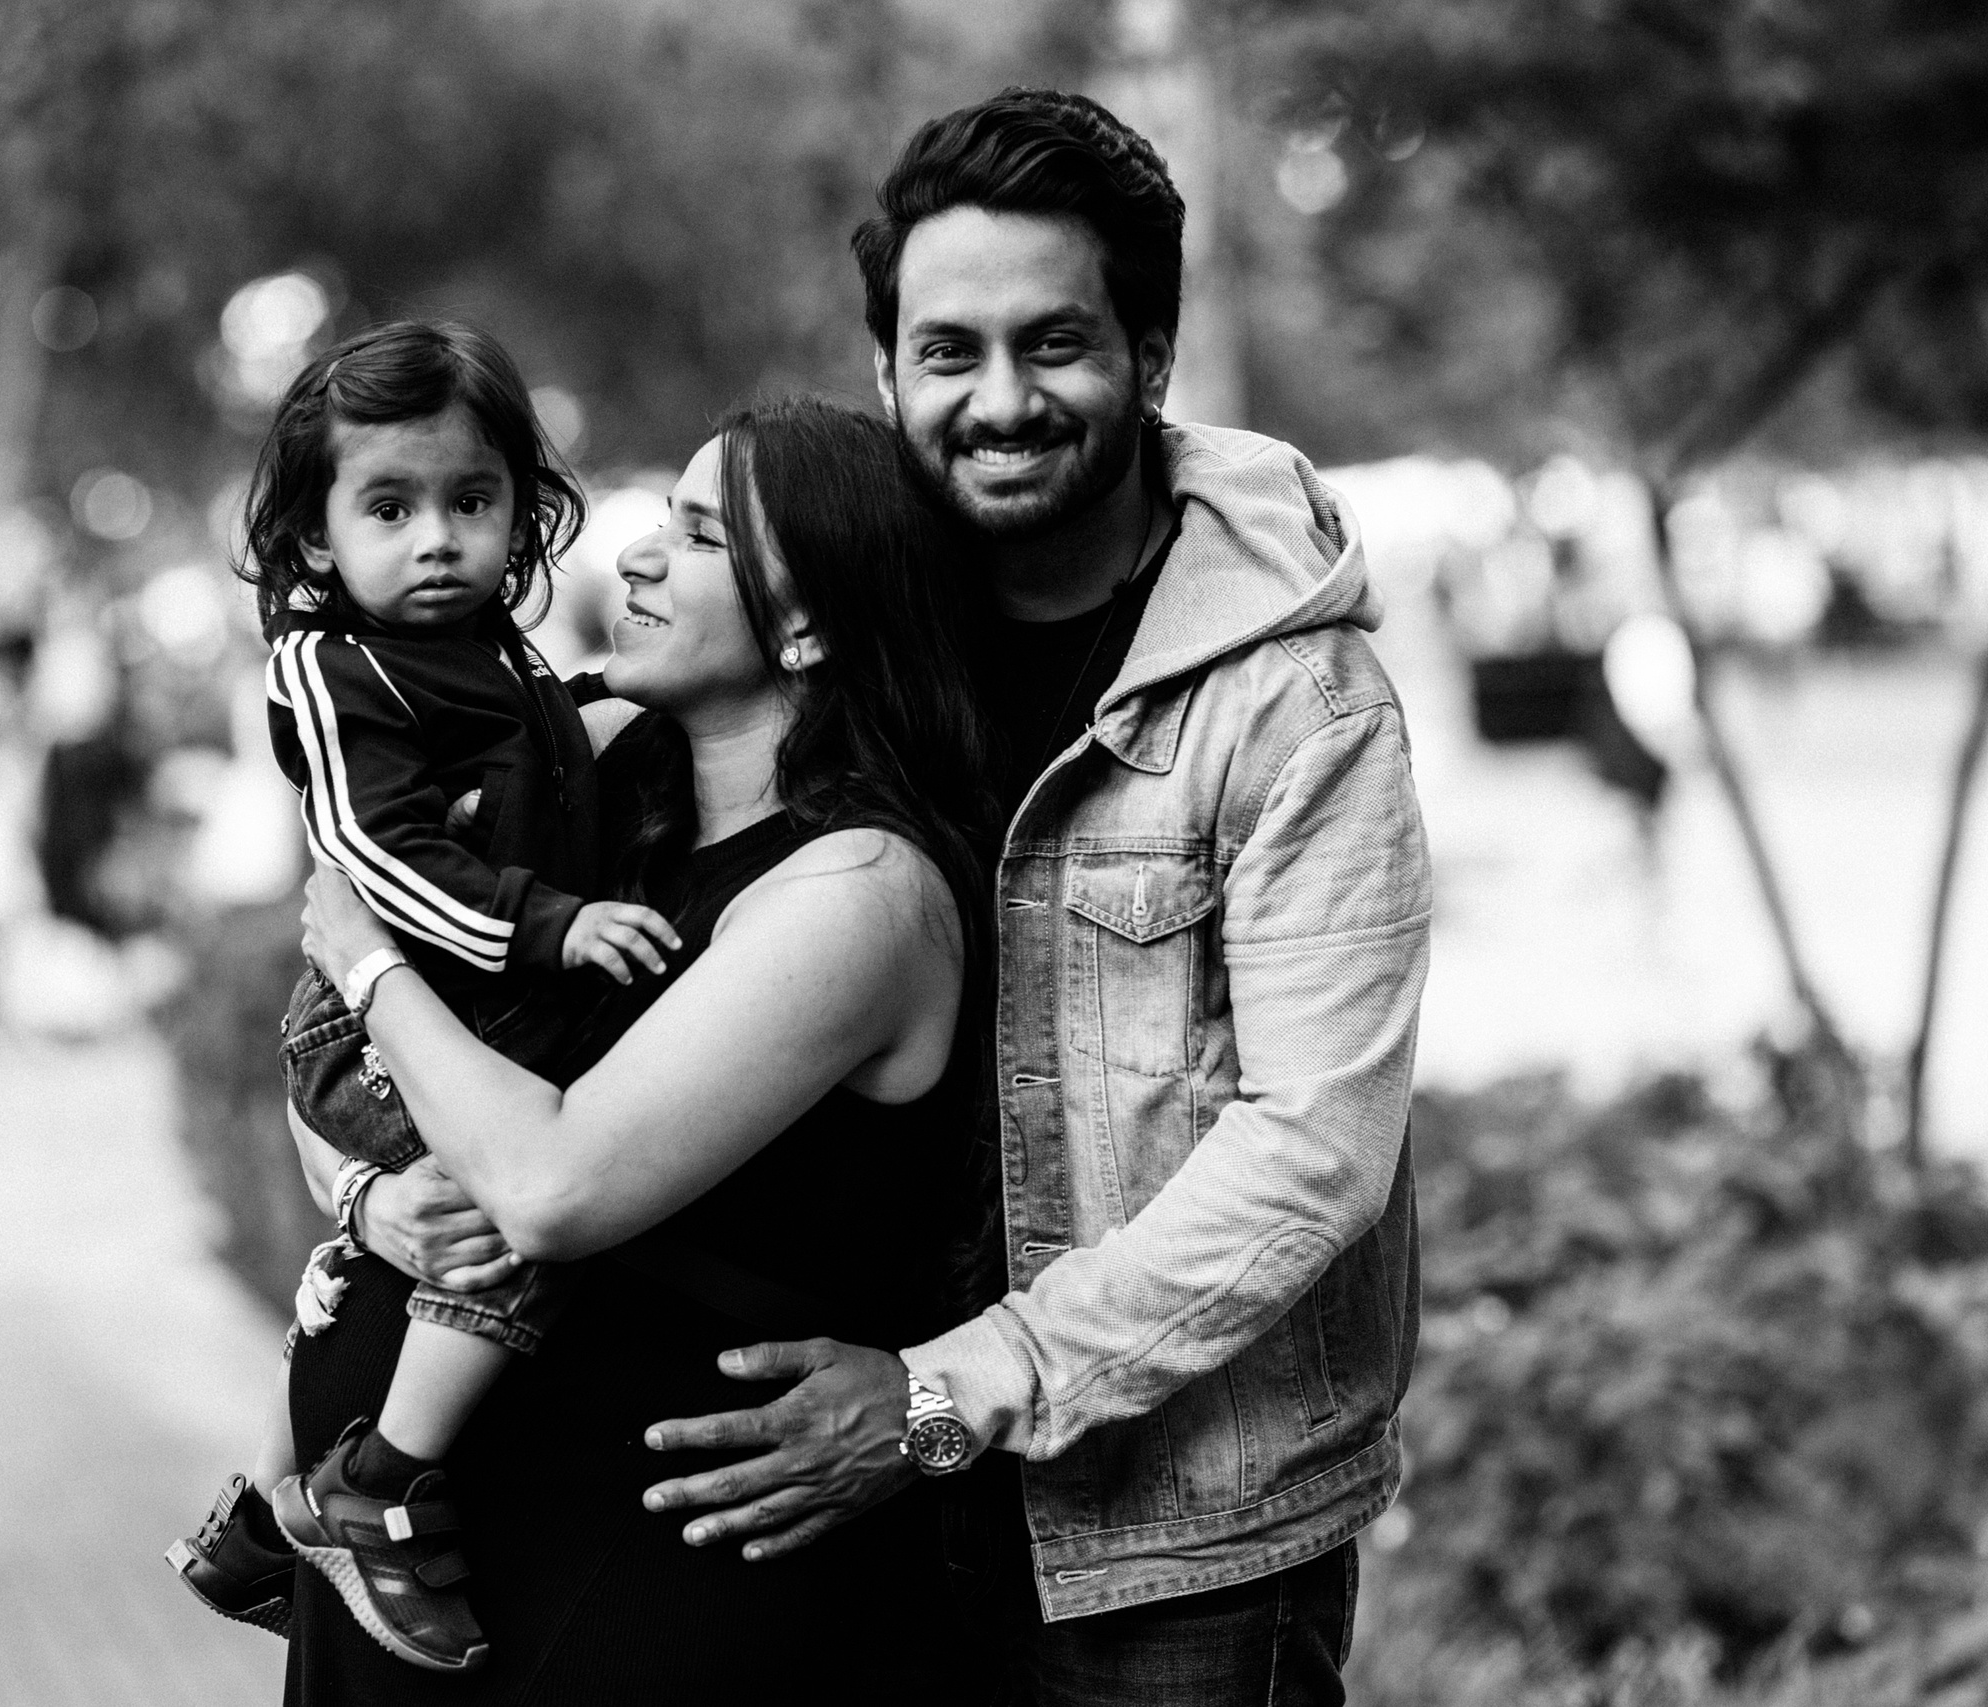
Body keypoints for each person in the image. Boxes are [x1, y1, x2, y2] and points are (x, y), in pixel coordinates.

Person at [639, 89, 1434, 1705]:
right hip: (854, 1531)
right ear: (889, 373)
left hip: (1173, 1551)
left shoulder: (1292, 703)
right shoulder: (848, 642)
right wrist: (382, 1164)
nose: (999, 403)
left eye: (1054, 344)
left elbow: (1316, 1145)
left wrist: (947, 1394)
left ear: (1152, 355)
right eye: (949, 353)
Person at [279, 395, 1001, 1703]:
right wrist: (370, 1201)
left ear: (810, 623)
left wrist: (368, 960)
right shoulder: (595, 779)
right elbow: (334, 1076)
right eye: (663, 518)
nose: (637, 557)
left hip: (637, 1569)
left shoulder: (860, 891)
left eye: (702, 536)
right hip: (412, 1560)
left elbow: (550, 1187)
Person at [164, 320, 682, 1671]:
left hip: (461, 1016)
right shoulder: (330, 668)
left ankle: (262, 1514)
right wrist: (553, 926)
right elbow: (379, 856)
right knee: (510, 1224)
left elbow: (540, 769)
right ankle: (379, 1479)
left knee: (410, 1233)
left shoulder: (499, 655)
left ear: (520, 509)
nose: (438, 540)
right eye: (390, 508)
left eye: (471, 500)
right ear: (319, 533)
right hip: (376, 1018)